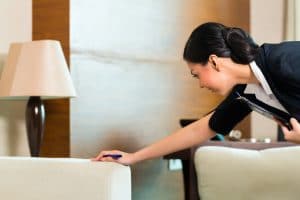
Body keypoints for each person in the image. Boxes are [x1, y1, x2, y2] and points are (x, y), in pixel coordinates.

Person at [92, 22, 300, 165]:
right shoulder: (245, 92)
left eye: (196, 74)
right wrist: (133, 157)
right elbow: (199, 130)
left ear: (213, 61)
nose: (200, 84)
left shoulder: (284, 59)